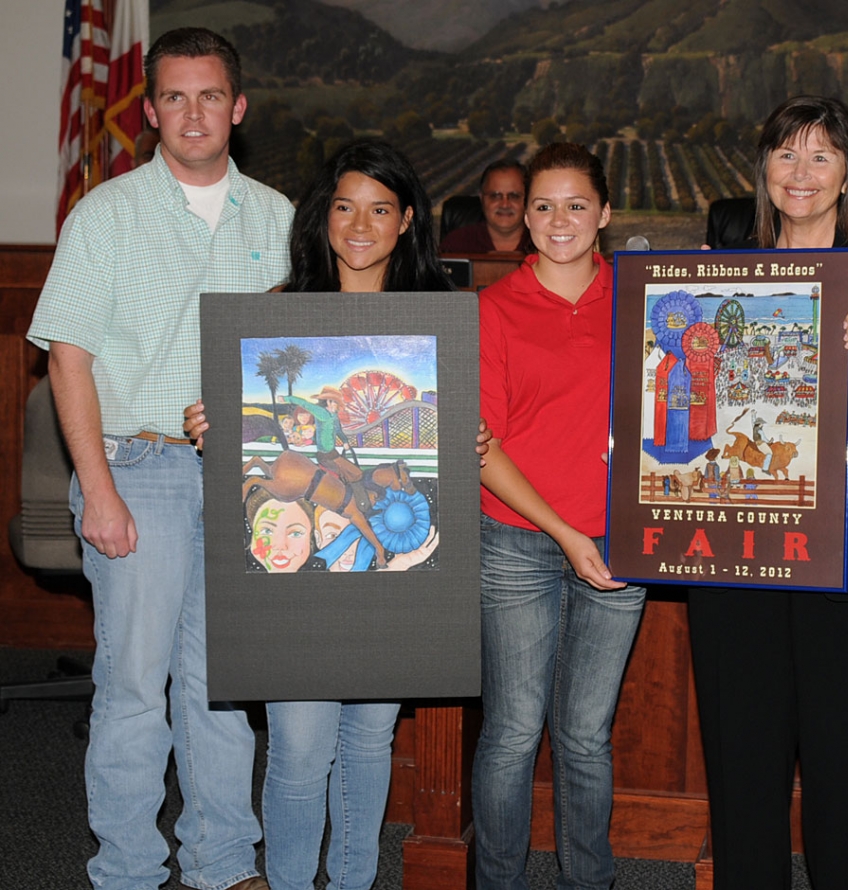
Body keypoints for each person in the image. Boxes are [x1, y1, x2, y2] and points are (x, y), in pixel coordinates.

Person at [26, 28, 293, 890]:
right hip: (135, 467)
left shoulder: (280, 217)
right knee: (136, 692)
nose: (192, 113)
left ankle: (222, 863)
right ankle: (130, 870)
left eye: (209, 95)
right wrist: (97, 494)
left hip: (243, 481)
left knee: (222, 689)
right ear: (149, 112)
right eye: (174, 97)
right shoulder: (105, 214)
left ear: (237, 108)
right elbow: (66, 357)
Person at [688, 96, 848, 890]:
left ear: (847, 175)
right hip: (737, 554)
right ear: (763, 170)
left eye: (821, 156)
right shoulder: (716, 273)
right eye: (786, 154)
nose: (801, 173)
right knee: (743, 773)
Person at [185, 138, 457, 890]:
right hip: (295, 572)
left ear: (406, 221)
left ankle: (354, 880)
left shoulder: (441, 320)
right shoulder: (277, 314)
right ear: (323, 217)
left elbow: (461, 437)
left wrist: (473, 434)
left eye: (379, 209)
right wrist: (216, 423)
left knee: (370, 741)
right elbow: (244, 437)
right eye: (345, 207)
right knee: (302, 748)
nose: (360, 225)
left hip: (394, 581)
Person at [474, 142, 647, 890]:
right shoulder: (492, 308)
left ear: (605, 214)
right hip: (517, 544)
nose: (558, 220)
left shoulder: (648, 301)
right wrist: (568, 534)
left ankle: (591, 882)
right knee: (513, 735)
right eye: (542, 205)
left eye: (577, 204)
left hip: (625, 543)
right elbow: (483, 448)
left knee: (583, 738)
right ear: (523, 216)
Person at [440, 158, 532, 253]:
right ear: (482, 199)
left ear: (527, 200)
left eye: (514, 196)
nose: (505, 205)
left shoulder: (541, 243)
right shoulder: (456, 244)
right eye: (495, 196)